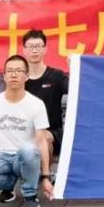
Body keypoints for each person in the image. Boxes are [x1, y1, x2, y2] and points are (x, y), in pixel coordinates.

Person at [0, 55, 53, 207]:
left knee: (28, 150)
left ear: (27, 76)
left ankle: (30, 194)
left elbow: (42, 141)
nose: (14, 74)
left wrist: (46, 177)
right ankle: (9, 183)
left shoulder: (36, 104)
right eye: (9, 71)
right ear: (4, 76)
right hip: (2, 155)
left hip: (25, 156)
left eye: (18, 71)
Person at [22, 30, 69, 165]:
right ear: (24, 50)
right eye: (31, 47)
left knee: (42, 138)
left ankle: (44, 173)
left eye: (38, 46)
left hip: (51, 131)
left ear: (45, 49)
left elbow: (77, 90)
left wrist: (75, 67)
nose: (34, 50)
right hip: (24, 130)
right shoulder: (19, 78)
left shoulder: (57, 76)